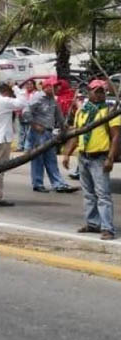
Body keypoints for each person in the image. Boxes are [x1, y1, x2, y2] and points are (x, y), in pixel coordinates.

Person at [62, 79, 119, 240]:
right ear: (89, 92)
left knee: (103, 195)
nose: (99, 94)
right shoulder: (83, 111)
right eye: (96, 90)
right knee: (88, 194)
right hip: (84, 156)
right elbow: (77, 134)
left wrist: (110, 158)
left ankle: (107, 228)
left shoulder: (108, 112)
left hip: (99, 157)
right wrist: (67, 152)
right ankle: (93, 223)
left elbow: (115, 137)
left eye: (102, 91)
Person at [23, 77, 78, 193]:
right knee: (38, 159)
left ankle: (58, 184)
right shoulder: (38, 97)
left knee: (51, 158)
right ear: (47, 87)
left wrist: (64, 126)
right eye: (54, 86)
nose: (56, 88)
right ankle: (38, 184)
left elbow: (58, 114)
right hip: (38, 133)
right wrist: (34, 125)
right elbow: (25, 112)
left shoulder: (52, 99)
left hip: (48, 132)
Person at [14, 79, 36, 152]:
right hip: (21, 114)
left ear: (34, 85)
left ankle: (27, 147)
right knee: (21, 131)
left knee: (28, 132)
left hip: (31, 115)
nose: (29, 86)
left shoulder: (36, 94)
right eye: (27, 84)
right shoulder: (22, 93)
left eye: (31, 84)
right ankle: (20, 146)